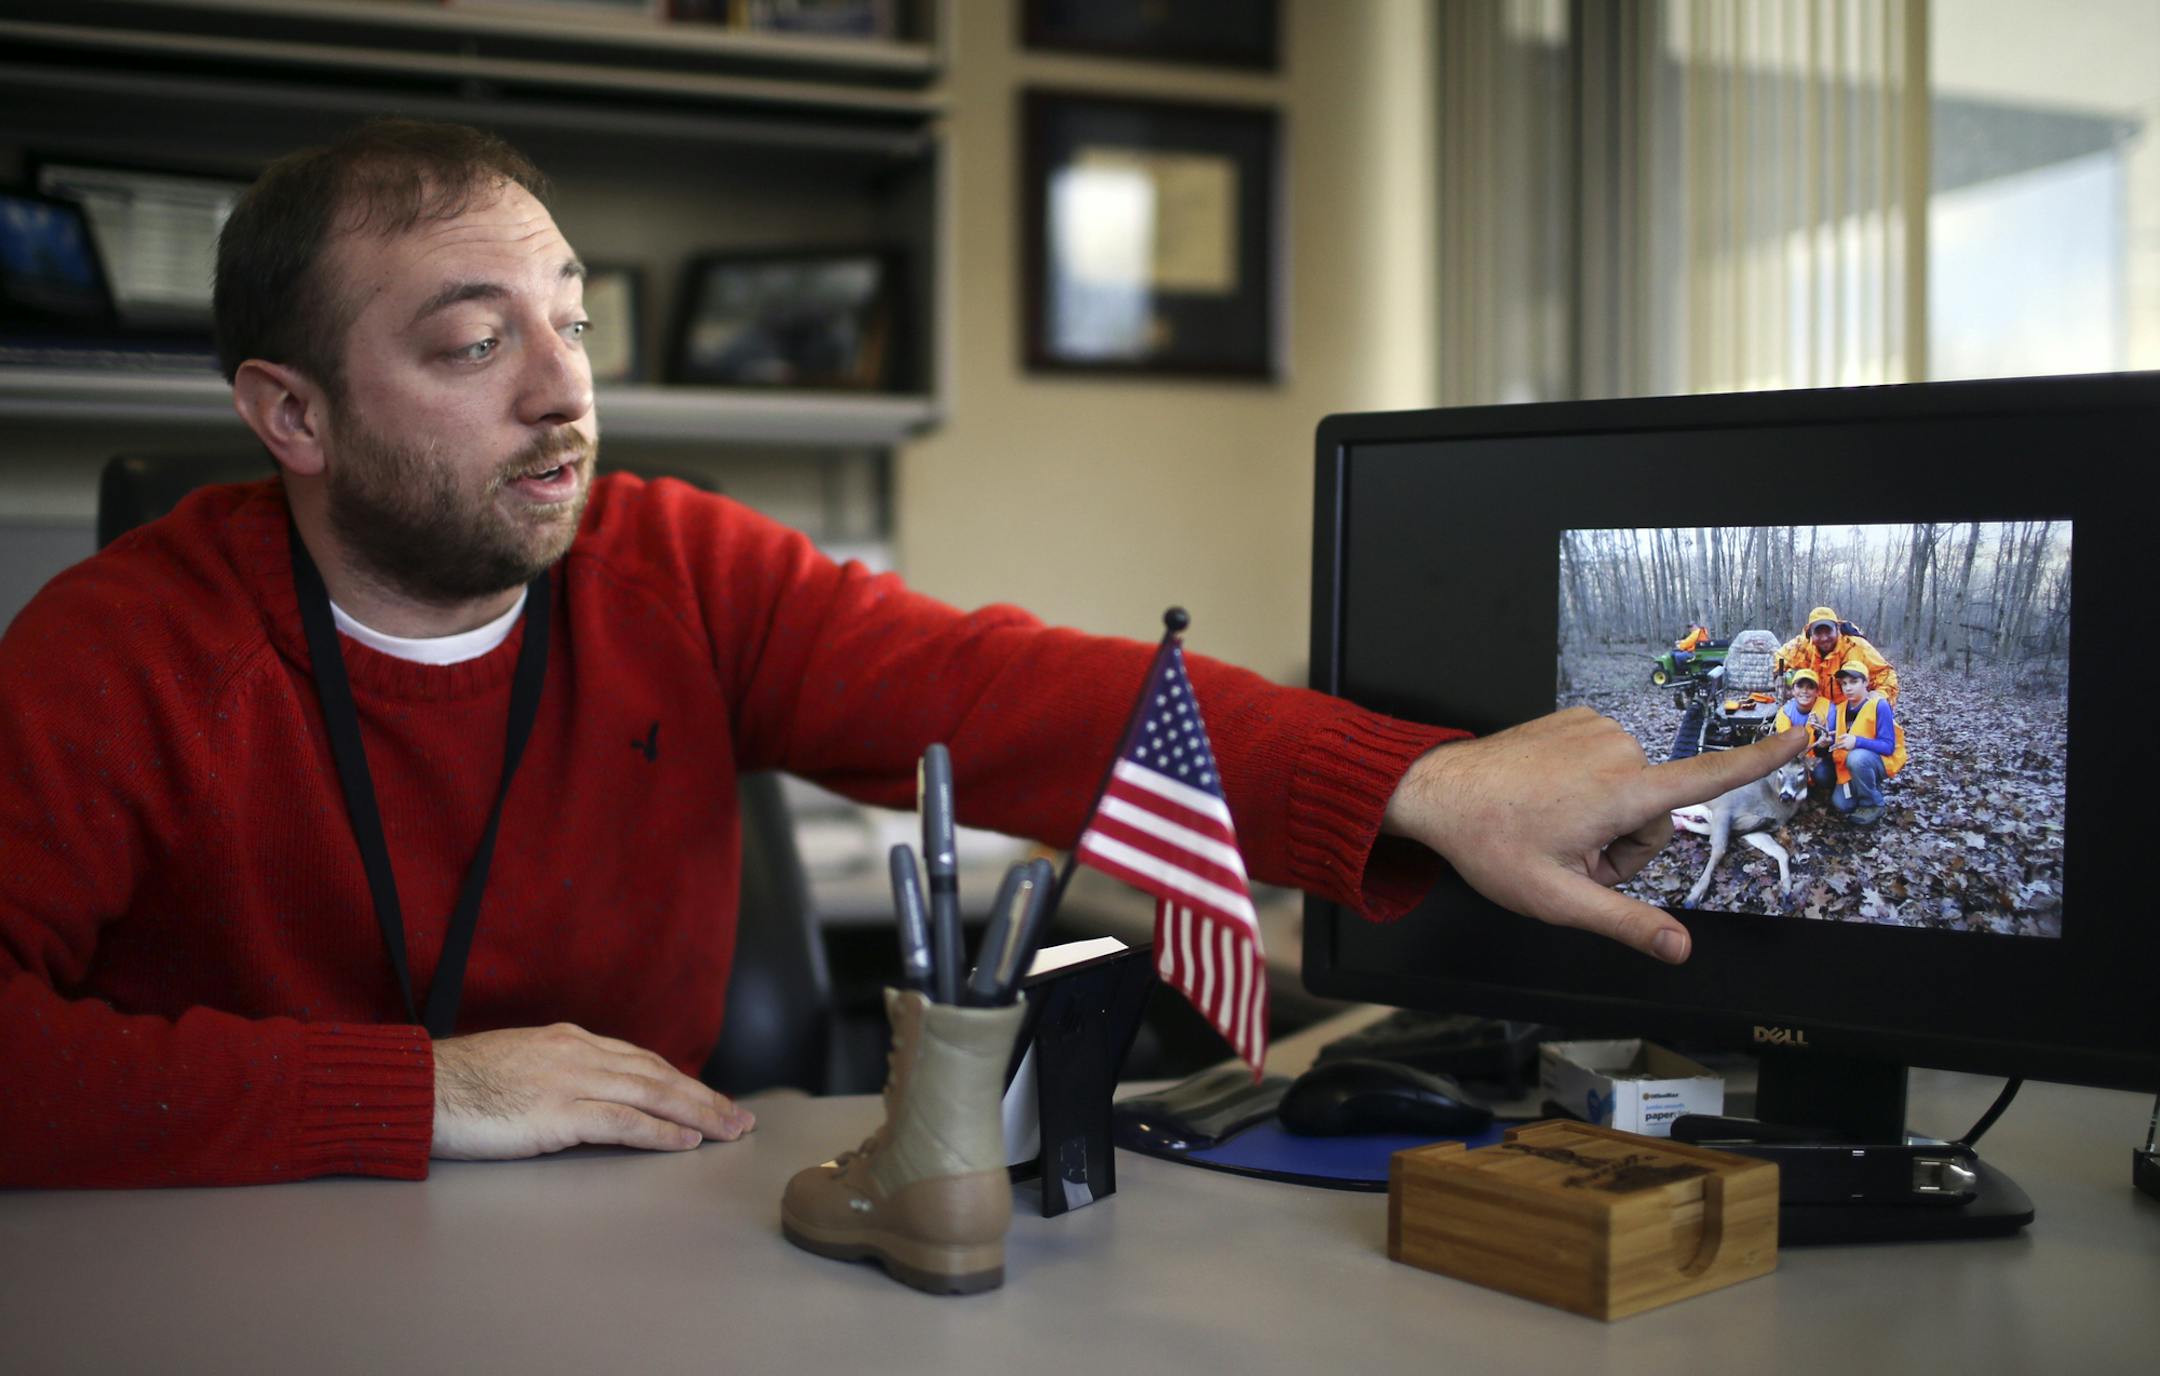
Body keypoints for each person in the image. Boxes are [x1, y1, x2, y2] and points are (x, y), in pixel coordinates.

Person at [0, 119, 1808, 1189]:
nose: (566, 393)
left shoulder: (676, 566)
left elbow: (1004, 692)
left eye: (571, 320)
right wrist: (420, 1089)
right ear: (289, 413)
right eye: (476, 345)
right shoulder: (120, 655)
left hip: (642, 1255)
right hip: (248, 1260)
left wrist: (1425, 779)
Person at [1825, 664, 1906, 825]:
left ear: (1866, 682)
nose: (1848, 688)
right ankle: (1866, 787)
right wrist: (1826, 741)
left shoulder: (1879, 705)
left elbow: (1888, 746)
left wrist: (1857, 742)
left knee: (1857, 758)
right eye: (1844, 683)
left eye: (1853, 682)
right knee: (1841, 804)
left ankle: (1873, 804)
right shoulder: (1840, 708)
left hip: (1877, 761)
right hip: (1848, 766)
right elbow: (1835, 739)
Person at [1778, 605, 1899, 705]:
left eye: (1828, 631)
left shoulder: (1855, 646)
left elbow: (1886, 674)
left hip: (1851, 708)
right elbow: (1780, 658)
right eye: (1818, 633)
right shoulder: (1802, 646)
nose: (1824, 638)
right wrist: (1784, 676)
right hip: (1817, 708)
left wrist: (1879, 695)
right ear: (1810, 633)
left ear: (1837, 628)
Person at [1773, 667, 1836, 792]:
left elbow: (1832, 745)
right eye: (1800, 686)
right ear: (1792, 690)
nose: (1804, 691)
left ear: (1817, 691)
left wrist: (1823, 744)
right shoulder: (1785, 712)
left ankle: (1816, 791)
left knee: (1823, 776)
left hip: (1817, 757)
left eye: (1810, 687)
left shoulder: (1828, 709)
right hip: (1792, 759)